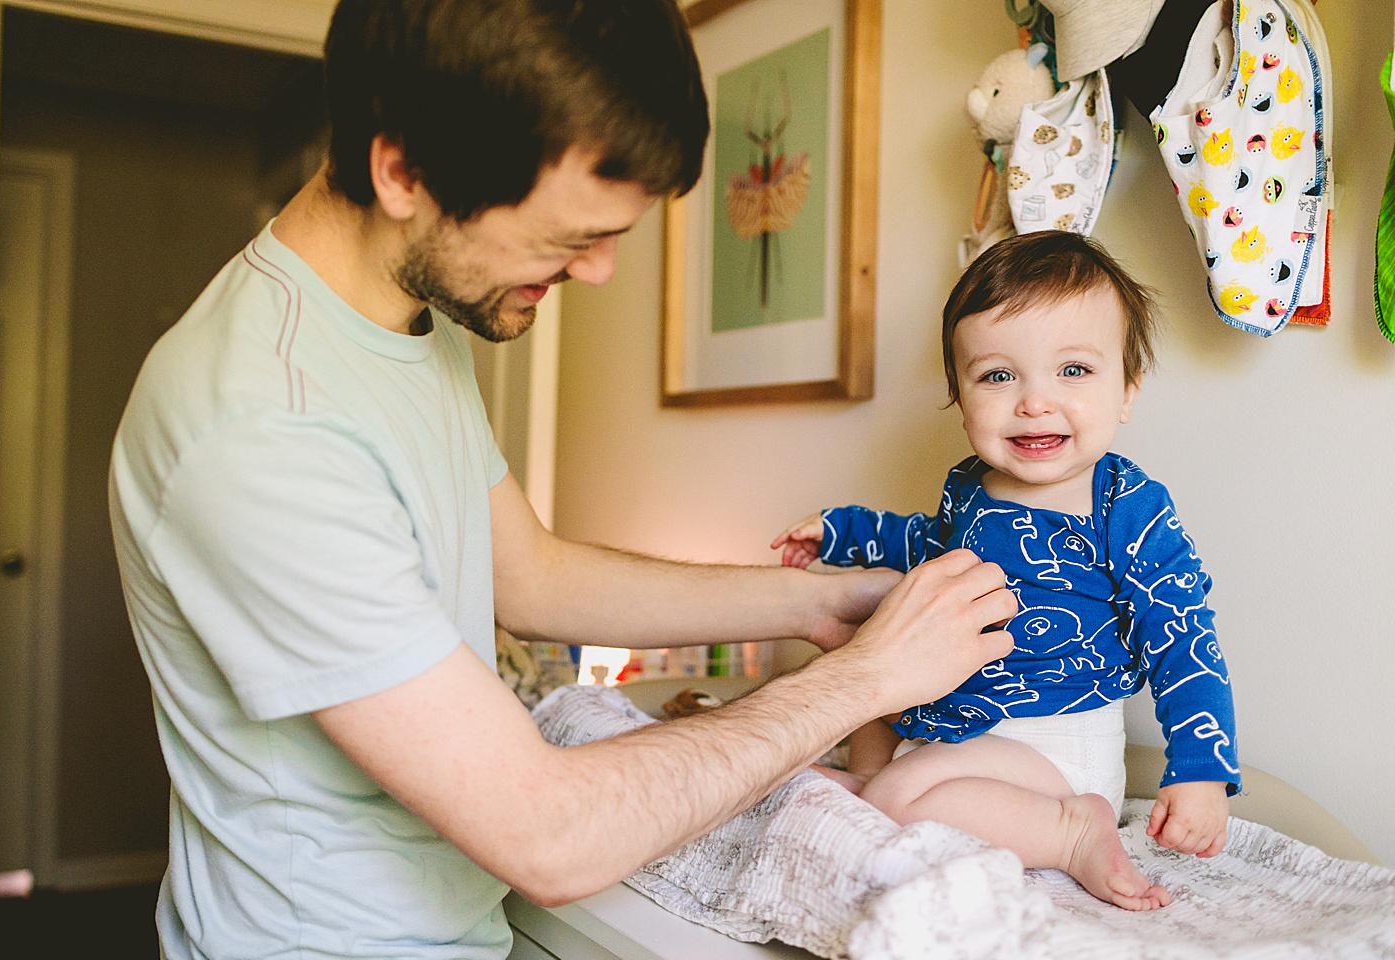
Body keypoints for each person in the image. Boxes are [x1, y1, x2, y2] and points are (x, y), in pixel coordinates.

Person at [107, 1, 1017, 957]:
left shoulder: (400, 325)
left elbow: (529, 574)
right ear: (404, 169)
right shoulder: (260, 423)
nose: (601, 271)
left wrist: (814, 602)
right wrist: (864, 676)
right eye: (566, 236)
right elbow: (547, 832)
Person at [772, 231, 1241, 912]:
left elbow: (1185, 640)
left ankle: (1069, 832)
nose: (1034, 401)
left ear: (1127, 391)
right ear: (960, 397)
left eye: (1074, 370)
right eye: (998, 375)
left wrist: (1202, 773)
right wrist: (844, 531)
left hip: (1053, 746)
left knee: (900, 797)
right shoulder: (969, 485)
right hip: (962, 722)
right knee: (868, 660)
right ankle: (873, 777)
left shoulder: (1127, 508)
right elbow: (925, 545)